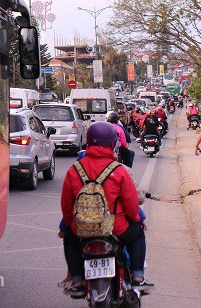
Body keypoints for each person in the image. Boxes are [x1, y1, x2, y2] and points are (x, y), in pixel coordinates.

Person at [60, 122, 153, 297]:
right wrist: (135, 219)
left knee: (69, 240)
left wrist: (69, 223)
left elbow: (66, 203)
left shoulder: (74, 169)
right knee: (137, 234)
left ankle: (78, 281)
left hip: (81, 228)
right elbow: (131, 203)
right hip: (115, 227)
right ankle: (138, 277)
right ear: (113, 144)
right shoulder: (119, 170)